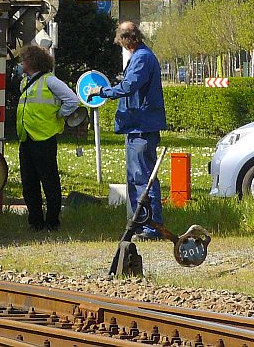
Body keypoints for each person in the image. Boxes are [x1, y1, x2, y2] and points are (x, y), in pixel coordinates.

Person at [88, 20, 168, 239]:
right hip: (137, 126)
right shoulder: (141, 56)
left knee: (143, 178)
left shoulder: (142, 58)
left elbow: (129, 86)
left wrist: (102, 91)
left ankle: (151, 227)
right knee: (136, 178)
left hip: (142, 126)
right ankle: (140, 225)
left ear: (123, 39)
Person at [16, 44, 80, 231]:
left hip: (44, 138)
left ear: (32, 62)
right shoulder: (25, 82)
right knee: (29, 183)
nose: (21, 63)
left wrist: (59, 115)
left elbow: (72, 100)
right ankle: (35, 221)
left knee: (49, 181)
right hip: (26, 137)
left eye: (24, 60)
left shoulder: (50, 81)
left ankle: (52, 221)